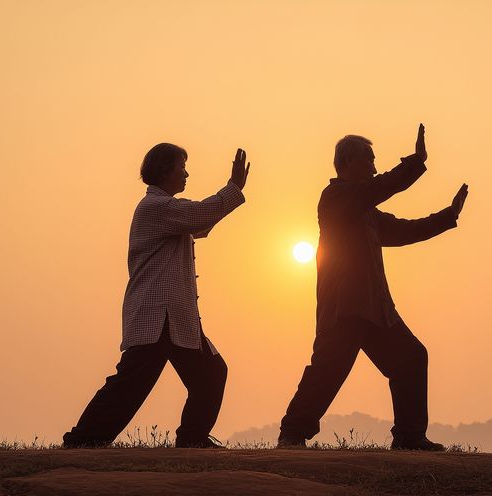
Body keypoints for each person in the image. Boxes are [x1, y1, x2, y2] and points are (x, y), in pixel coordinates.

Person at [278, 124, 468, 451]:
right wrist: (416, 162)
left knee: (410, 358)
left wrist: (448, 215)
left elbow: (404, 230)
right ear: (349, 162)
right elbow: (382, 186)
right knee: (328, 371)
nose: (375, 167)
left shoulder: (366, 212)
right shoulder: (336, 198)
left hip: (375, 309)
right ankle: (292, 434)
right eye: (370, 160)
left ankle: (410, 437)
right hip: (345, 309)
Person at [63, 143, 250, 448]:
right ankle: (82, 440)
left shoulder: (166, 210)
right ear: (164, 170)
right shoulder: (156, 208)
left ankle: (192, 438)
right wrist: (233, 189)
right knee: (131, 384)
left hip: (174, 317)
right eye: (181, 166)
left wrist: (229, 196)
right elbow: (200, 215)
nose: (186, 173)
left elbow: (199, 221)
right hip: (158, 315)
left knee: (210, 373)